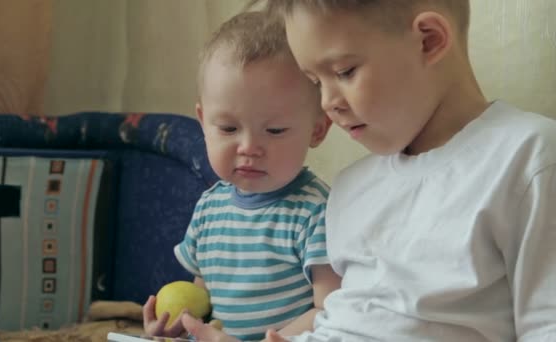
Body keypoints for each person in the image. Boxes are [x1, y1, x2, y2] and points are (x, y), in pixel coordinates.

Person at [182, 0, 556, 341]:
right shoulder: (351, 186)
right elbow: (345, 316)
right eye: (315, 82)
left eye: (344, 72)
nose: (327, 103)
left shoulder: (526, 157)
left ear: (428, 40)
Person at [142, 10, 341, 342]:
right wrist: (176, 329)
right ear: (203, 123)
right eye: (229, 128)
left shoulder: (316, 211)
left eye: (275, 130)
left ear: (317, 130)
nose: (249, 147)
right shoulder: (209, 209)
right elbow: (203, 305)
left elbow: (331, 309)